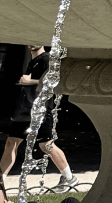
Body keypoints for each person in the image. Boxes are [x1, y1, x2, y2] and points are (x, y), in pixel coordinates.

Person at [0, 45, 78, 193]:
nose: (32, 43)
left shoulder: (46, 59)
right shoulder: (32, 61)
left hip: (41, 110)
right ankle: (0, 180)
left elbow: (53, 83)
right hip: (25, 112)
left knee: (46, 145)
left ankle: (69, 178)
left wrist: (29, 82)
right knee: (11, 143)